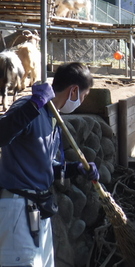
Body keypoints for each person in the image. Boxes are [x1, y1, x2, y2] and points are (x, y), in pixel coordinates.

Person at [0, 62, 99, 267]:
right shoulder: (29, 107)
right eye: (84, 95)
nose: (82, 101)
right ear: (73, 90)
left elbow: (45, 165)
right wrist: (34, 105)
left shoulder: (52, 118)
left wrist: (75, 169)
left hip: (39, 209)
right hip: (19, 207)